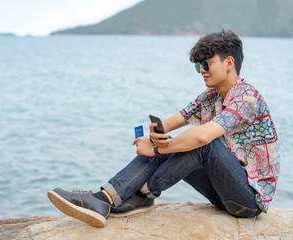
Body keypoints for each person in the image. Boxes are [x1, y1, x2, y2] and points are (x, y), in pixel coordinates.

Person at [47, 30, 280, 228]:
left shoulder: (246, 97)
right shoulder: (209, 97)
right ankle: (104, 198)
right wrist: (156, 135)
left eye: (207, 64)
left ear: (229, 62)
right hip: (219, 193)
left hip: (248, 201)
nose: (202, 70)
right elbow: (172, 121)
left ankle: (142, 195)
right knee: (172, 141)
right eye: (199, 65)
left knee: (201, 143)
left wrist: (157, 150)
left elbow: (202, 136)